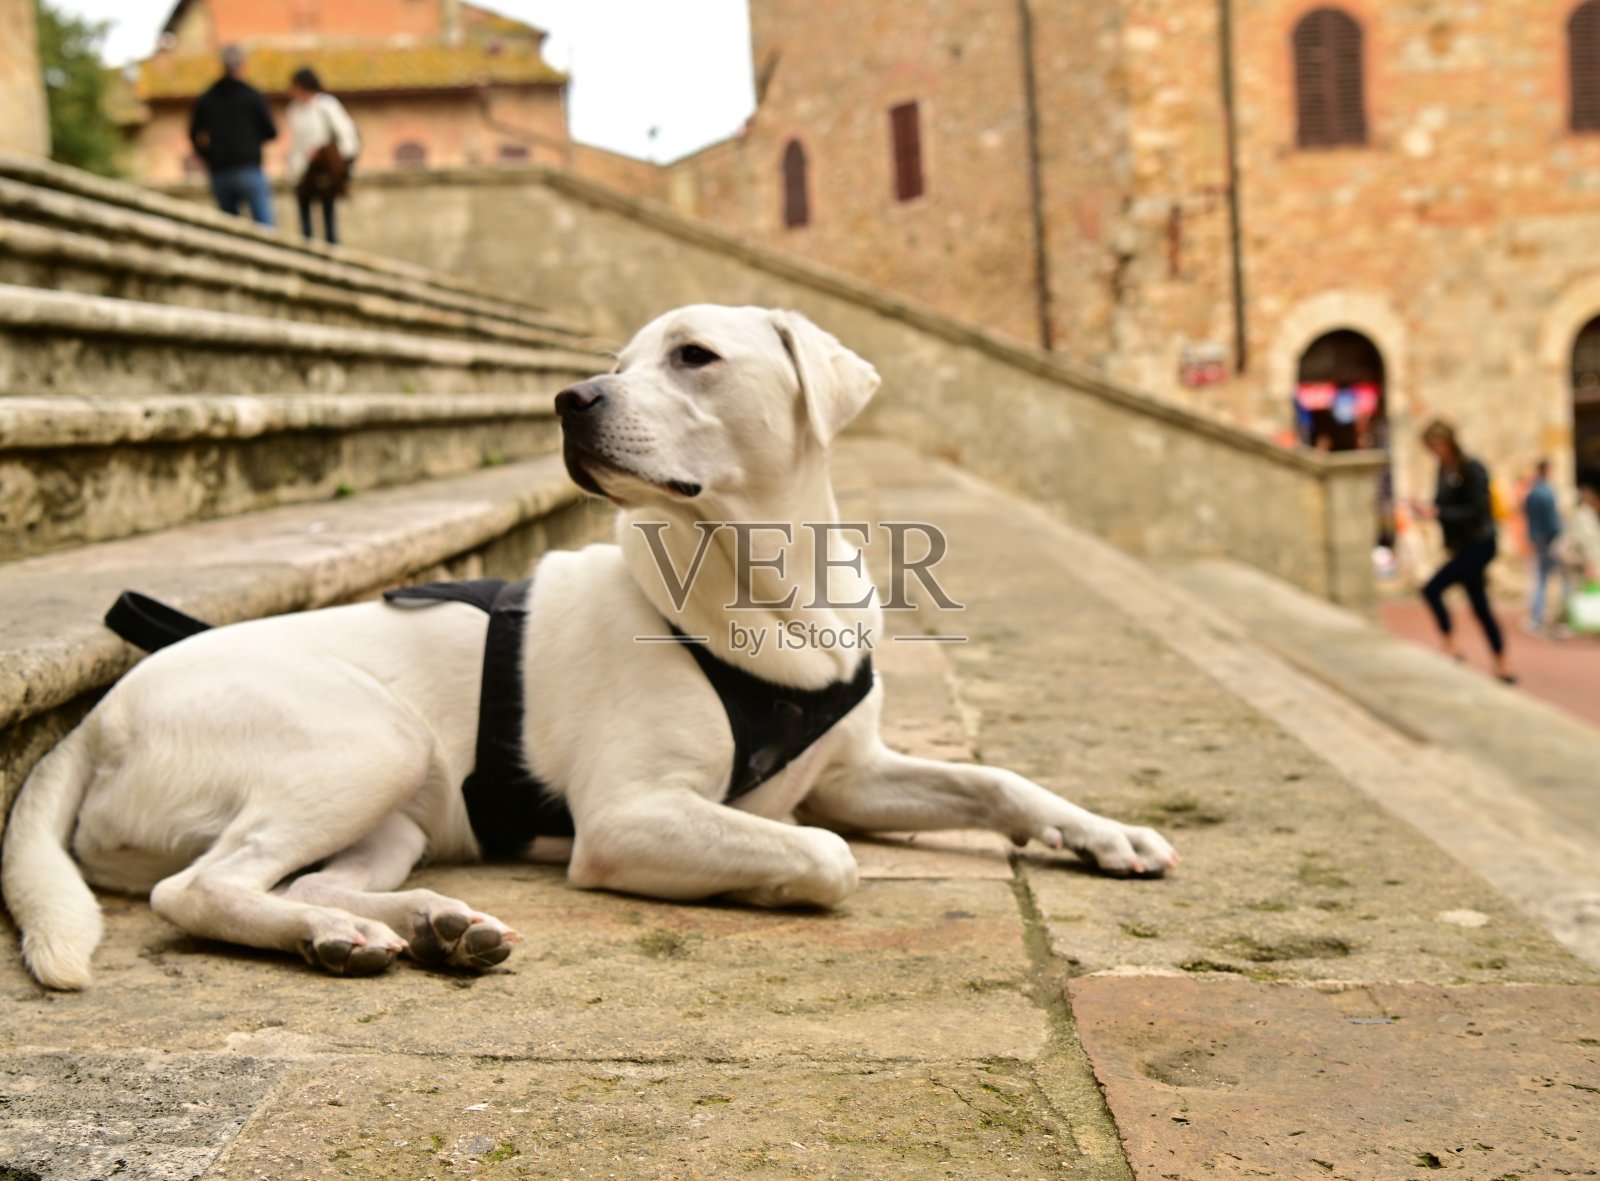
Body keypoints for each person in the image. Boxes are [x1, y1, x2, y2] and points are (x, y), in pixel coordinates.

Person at [1414, 420, 1515, 682]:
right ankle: (1502, 662)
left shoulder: (1471, 468)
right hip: (1461, 546)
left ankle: (1451, 646)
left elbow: (1478, 510)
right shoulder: (1443, 470)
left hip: (1479, 544)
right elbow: (1442, 504)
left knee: (1432, 589)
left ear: (1445, 443)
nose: (1432, 453)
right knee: (1480, 606)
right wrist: (1427, 509)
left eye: (1433, 447)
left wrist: (1440, 512)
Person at [189, 45, 278, 226]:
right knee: (264, 228)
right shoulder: (252, 95)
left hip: (220, 171)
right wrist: (250, 143)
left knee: (230, 230)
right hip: (248, 167)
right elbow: (271, 131)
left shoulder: (207, 97)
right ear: (243, 65)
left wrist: (208, 156)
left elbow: (193, 133)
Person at [285, 68, 361, 245]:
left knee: (328, 211)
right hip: (304, 168)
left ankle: (331, 247)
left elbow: (346, 134)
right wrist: (294, 168)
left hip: (324, 167)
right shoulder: (294, 110)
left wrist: (335, 158)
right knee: (304, 210)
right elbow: (297, 143)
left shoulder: (326, 105)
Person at [1521, 458, 1567, 634]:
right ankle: (1560, 616)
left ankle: (1538, 615)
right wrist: (1559, 535)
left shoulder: (1532, 491)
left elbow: (1525, 512)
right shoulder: (1546, 492)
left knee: (1540, 577)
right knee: (1563, 577)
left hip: (1537, 538)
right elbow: (1552, 520)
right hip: (1549, 539)